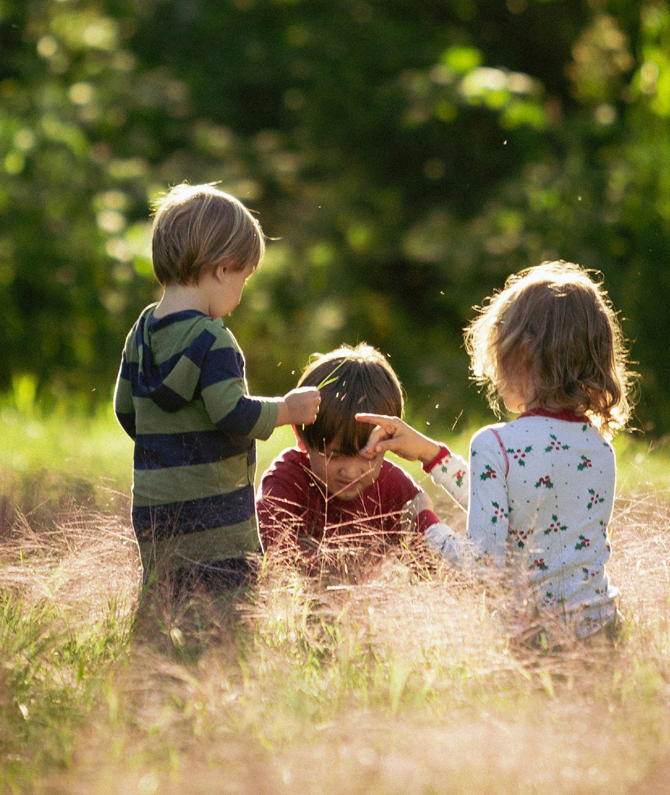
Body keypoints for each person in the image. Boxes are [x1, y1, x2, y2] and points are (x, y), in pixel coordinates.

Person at [358, 261, 636, 642]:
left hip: (533, 646)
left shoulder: (496, 444)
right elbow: (518, 506)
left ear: (520, 354)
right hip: (602, 635)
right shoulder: (598, 448)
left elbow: (484, 567)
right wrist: (430, 455)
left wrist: (425, 525)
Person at [113, 183, 320, 589]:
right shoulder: (213, 338)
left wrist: (166, 451)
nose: (241, 294)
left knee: (166, 600)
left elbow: (125, 410)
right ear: (223, 269)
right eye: (242, 280)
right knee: (229, 609)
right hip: (217, 519)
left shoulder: (141, 332)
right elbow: (231, 413)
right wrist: (287, 409)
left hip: (155, 509)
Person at [256, 344, 461, 567]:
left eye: (369, 457)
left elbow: (435, 566)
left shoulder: (394, 489)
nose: (351, 472)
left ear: (387, 444)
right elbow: (269, 542)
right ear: (301, 436)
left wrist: (422, 518)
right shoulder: (288, 479)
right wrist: (336, 574)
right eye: (333, 456)